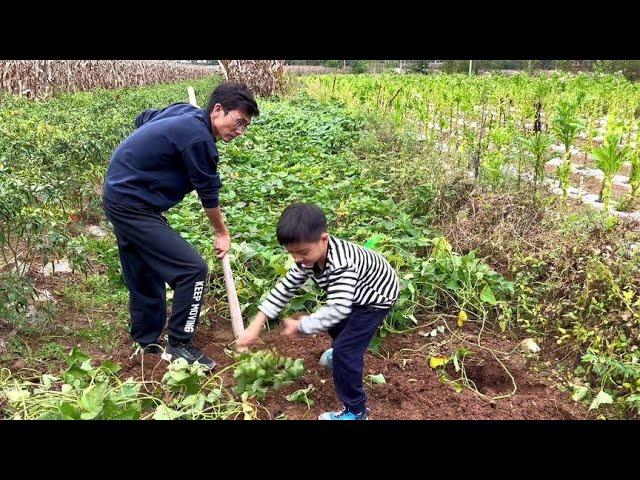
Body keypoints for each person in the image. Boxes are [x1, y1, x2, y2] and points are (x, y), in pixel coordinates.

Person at [103, 82, 259, 369]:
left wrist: (147, 153)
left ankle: (146, 340)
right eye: (238, 122)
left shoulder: (184, 113)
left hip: (121, 193)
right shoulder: (198, 139)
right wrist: (222, 233)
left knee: (144, 269)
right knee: (192, 269)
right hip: (132, 204)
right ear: (217, 110)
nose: (240, 131)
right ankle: (179, 344)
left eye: (245, 126)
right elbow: (208, 193)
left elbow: (145, 118)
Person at [236, 203, 399, 419]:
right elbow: (286, 286)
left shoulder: (342, 264)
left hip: (375, 299)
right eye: (292, 253)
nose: (297, 259)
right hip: (355, 293)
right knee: (336, 327)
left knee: (346, 351)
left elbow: (339, 308)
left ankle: (356, 411)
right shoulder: (307, 257)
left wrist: (302, 326)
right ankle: (339, 356)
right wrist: (255, 325)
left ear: (323, 239)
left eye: (302, 253)